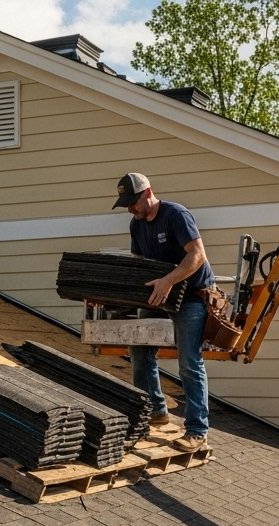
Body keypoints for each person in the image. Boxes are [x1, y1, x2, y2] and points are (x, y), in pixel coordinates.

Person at [112, 172, 213, 453]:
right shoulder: (136, 224)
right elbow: (139, 263)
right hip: (157, 296)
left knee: (189, 363)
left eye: (133, 202)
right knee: (140, 351)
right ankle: (155, 411)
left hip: (191, 296)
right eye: (126, 204)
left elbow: (197, 256)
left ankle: (197, 431)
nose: (131, 209)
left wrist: (168, 280)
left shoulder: (176, 215)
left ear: (148, 194)